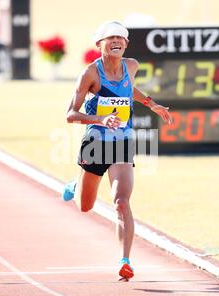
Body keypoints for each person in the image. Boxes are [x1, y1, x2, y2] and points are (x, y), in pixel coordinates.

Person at [63, 21, 173, 281]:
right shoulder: (90, 74)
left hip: (122, 143)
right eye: (111, 38)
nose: (117, 41)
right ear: (99, 44)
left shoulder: (131, 66)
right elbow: (70, 114)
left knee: (121, 202)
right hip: (94, 144)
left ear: (126, 45)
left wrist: (151, 103)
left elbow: (127, 89)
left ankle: (125, 261)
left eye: (121, 38)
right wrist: (101, 119)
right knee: (85, 207)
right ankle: (76, 184)